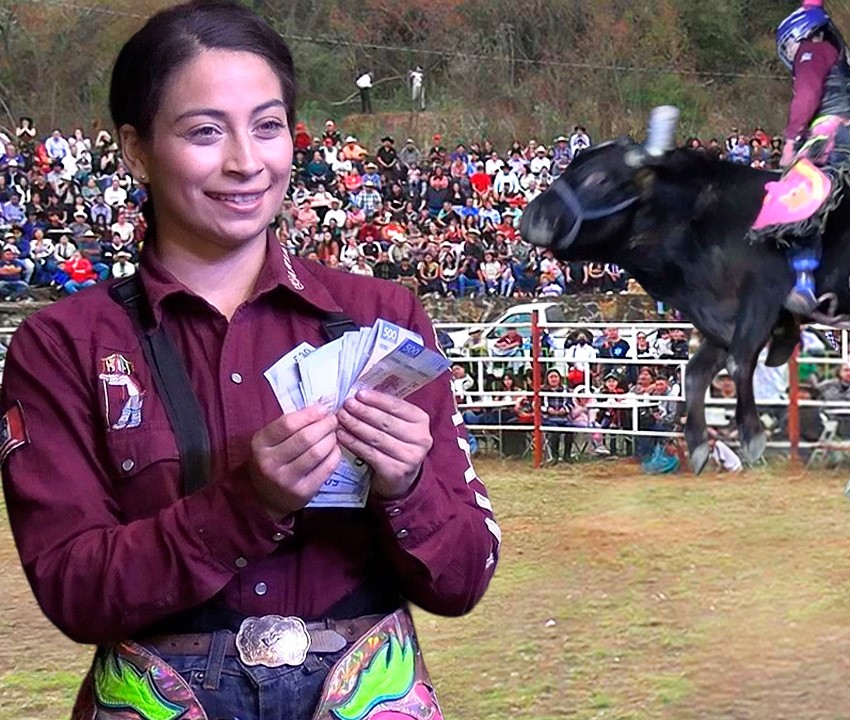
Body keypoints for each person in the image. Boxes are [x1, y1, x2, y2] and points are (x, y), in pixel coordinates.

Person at [0, 3, 498, 718]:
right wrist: (247, 503)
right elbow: (73, 592)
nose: (245, 162)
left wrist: (408, 483)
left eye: (267, 127)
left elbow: (464, 579)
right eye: (205, 131)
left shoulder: (385, 317)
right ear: (136, 150)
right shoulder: (62, 345)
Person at [772, 0, 850, 317]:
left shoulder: (812, 52)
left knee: (797, 203)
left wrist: (789, 141)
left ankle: (803, 282)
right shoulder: (839, 55)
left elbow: (806, 98)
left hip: (830, 135)